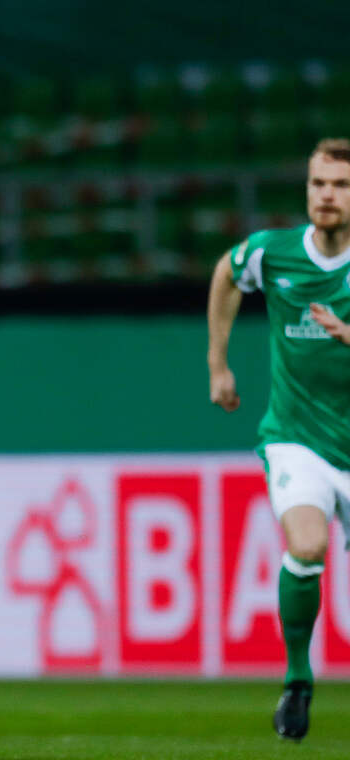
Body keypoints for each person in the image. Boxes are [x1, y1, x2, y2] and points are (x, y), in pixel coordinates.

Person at [208, 137, 350, 742]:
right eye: (319, 183)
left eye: (340, 185)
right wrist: (218, 363)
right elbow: (226, 272)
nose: (327, 195)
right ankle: (298, 681)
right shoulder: (275, 252)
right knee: (308, 545)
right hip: (297, 439)